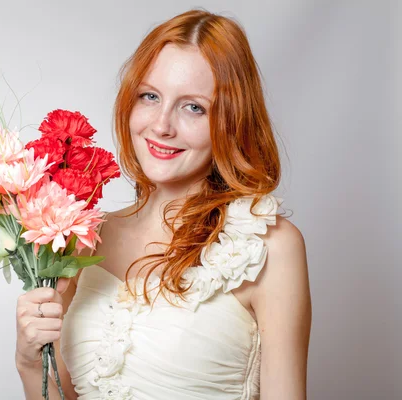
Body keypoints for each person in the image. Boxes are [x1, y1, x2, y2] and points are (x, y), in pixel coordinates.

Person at [15, 9, 312, 400]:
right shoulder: (83, 236)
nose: (161, 125)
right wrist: (30, 362)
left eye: (193, 107)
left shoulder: (269, 246)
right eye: (150, 96)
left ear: (231, 121)